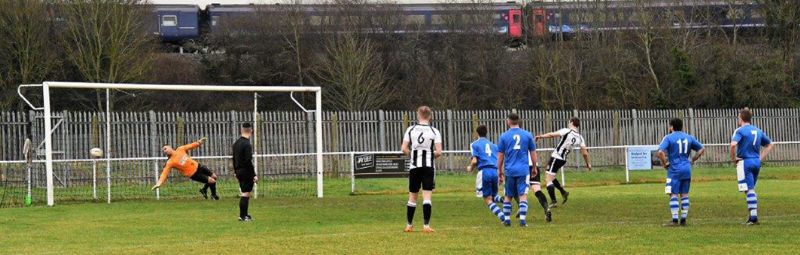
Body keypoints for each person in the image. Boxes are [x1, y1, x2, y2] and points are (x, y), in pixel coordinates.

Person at [401, 106, 442, 233]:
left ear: (418, 115)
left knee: (412, 197)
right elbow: (439, 152)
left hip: (414, 167)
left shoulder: (411, 129)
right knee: (427, 196)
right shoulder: (434, 131)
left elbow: (404, 148)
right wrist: (429, 155)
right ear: (430, 116)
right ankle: (426, 226)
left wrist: (412, 154)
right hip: (428, 167)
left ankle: (409, 225)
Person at [657, 118, 705, 227]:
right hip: (686, 168)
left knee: (673, 193)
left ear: (672, 127)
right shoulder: (689, 137)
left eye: (669, 126)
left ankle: (674, 220)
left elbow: (660, 152)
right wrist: (693, 159)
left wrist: (665, 163)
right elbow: (701, 149)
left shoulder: (668, 138)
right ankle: (683, 220)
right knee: (684, 194)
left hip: (674, 169)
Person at [730, 108, 774, 225]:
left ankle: (753, 218)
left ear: (741, 118)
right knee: (750, 188)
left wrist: (733, 159)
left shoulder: (740, 130)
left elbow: (733, 145)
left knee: (749, 189)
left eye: (738, 117)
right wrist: (760, 158)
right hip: (756, 162)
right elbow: (770, 144)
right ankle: (752, 217)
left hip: (745, 162)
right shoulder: (758, 130)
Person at [535, 117, 591, 208]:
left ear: (572, 123)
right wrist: (588, 163)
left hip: (556, 157)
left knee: (547, 179)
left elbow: (552, 135)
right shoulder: (580, 137)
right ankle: (563, 192)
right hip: (563, 159)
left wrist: (541, 136)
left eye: (569, 122)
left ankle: (554, 201)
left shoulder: (566, 131)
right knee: (551, 176)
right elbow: (585, 153)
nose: (568, 123)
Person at [497, 113, 537, 227]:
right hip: (523, 170)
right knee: (522, 195)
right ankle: (523, 221)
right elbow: (533, 153)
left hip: (509, 170)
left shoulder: (503, 136)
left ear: (508, 121)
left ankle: (507, 220)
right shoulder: (527, 135)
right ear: (518, 121)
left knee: (508, 196)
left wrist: (499, 171)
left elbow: (500, 156)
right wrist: (534, 167)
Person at [151, 137, 219, 200]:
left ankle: (204, 190)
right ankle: (213, 195)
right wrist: (159, 183)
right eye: (163, 151)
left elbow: (190, 146)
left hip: (198, 166)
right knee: (212, 181)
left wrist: (199, 142)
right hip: (194, 174)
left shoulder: (180, 149)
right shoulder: (170, 162)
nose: (165, 151)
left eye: (165, 148)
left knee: (214, 177)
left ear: (170, 147)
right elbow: (164, 174)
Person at [466, 125, 506, 224]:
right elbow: (499, 159)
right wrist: (501, 175)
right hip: (495, 171)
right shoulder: (493, 145)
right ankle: (503, 200)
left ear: (477, 133)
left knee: (487, 199)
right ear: (486, 132)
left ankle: (503, 218)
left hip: (484, 171)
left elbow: (474, 161)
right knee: (493, 195)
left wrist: (470, 168)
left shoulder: (474, 144)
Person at [233, 123, 258, 222]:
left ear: (241, 130)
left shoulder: (236, 143)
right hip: (246, 171)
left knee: (244, 193)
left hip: (239, 171)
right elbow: (248, 161)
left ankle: (245, 215)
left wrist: (235, 171)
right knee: (245, 194)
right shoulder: (247, 144)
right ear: (251, 131)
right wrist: (254, 175)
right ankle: (242, 216)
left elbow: (234, 159)